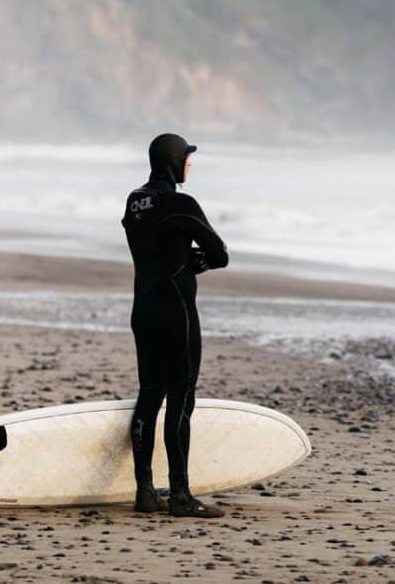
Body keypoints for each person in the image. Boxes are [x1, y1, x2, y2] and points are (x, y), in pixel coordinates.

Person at [122, 133, 229, 517]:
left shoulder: (135, 202)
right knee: (181, 399)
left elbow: (152, 245)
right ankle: (181, 496)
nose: (190, 164)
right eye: (187, 157)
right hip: (176, 313)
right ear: (173, 160)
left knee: (149, 396)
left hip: (142, 313)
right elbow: (220, 253)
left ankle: (145, 492)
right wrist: (198, 261)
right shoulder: (181, 203)